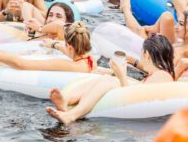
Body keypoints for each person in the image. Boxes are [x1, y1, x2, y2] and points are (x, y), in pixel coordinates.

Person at [46, 34, 175, 125]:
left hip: (139, 118)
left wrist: (121, 75)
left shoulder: (161, 76)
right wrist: (113, 72)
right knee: (106, 77)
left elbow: (136, 98)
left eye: (142, 52)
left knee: (109, 81)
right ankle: (67, 100)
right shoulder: (158, 74)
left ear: (146, 54)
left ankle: (72, 115)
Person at [0, 21, 97, 79]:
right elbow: (69, 52)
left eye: (65, 45)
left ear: (70, 47)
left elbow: (22, 64)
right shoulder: (90, 58)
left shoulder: (66, 64)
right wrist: (55, 44)